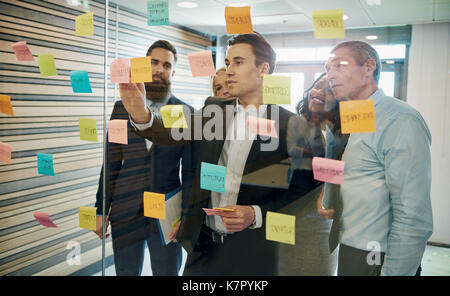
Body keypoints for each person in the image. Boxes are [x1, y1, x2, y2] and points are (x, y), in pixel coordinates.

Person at [118, 33, 313, 275]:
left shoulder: (292, 126)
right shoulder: (214, 111)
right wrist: (140, 112)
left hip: (252, 250)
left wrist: (256, 214)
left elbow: (304, 192)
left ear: (263, 69)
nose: (229, 70)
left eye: (238, 62)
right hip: (203, 247)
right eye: (228, 62)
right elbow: (167, 133)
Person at [317, 41, 433, 276]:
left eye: (339, 66)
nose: (330, 75)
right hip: (349, 245)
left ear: (368, 67)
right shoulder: (351, 118)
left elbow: (412, 215)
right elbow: (356, 173)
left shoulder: (400, 119)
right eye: (328, 68)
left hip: (376, 252)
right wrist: (328, 194)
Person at [93, 40, 198, 276]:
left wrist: (187, 216)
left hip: (166, 213)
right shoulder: (122, 108)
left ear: (173, 71)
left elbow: (190, 172)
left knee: (167, 271)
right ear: (143, 65)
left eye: (167, 65)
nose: (160, 69)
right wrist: (101, 208)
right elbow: (110, 162)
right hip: (125, 208)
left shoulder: (186, 113)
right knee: (126, 272)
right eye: (154, 62)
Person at [279, 73, 347, 275]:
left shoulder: (338, 135)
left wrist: (328, 187)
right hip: (280, 223)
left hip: (315, 227)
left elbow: (344, 174)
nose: (319, 93)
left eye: (329, 91)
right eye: (317, 86)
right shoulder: (287, 125)